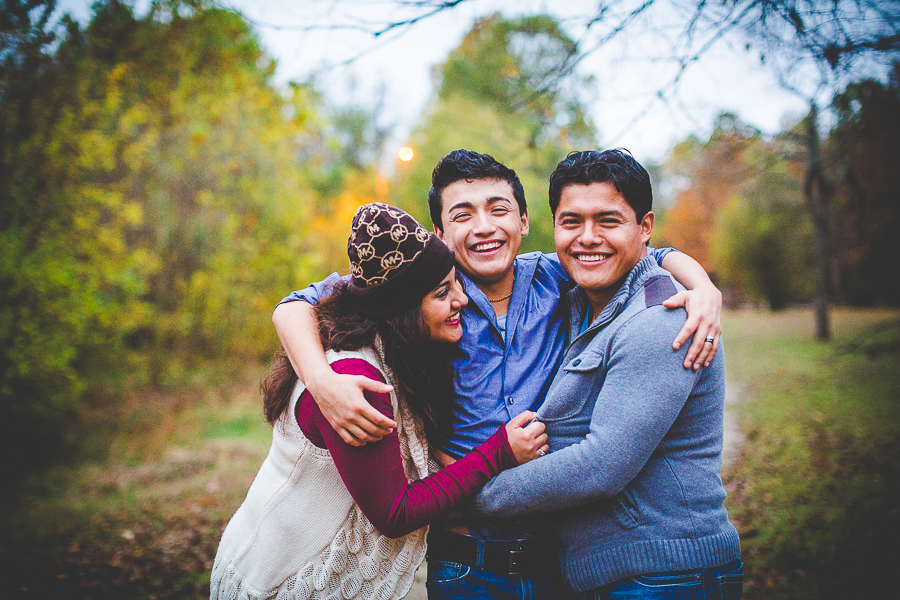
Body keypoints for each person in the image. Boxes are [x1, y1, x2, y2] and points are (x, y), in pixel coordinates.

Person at [273, 150, 725, 599]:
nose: (484, 226)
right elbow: (298, 303)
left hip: (558, 558)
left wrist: (703, 287)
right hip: (465, 557)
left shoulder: (560, 275)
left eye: (499, 209)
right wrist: (318, 378)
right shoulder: (420, 297)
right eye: (463, 214)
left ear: (525, 221)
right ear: (439, 233)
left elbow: (645, 251)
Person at [210, 203, 548, 600]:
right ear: (400, 311)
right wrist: (499, 452)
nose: (462, 300)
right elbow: (395, 512)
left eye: (456, 283)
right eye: (443, 293)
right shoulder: (358, 379)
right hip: (282, 582)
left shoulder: (394, 353)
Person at [466, 149, 742, 599]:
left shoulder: (661, 316)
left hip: (665, 576)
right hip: (618, 576)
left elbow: (600, 466)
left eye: (608, 221)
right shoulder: (576, 297)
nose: (587, 238)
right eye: (571, 221)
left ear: (644, 227)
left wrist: (466, 493)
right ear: (552, 224)